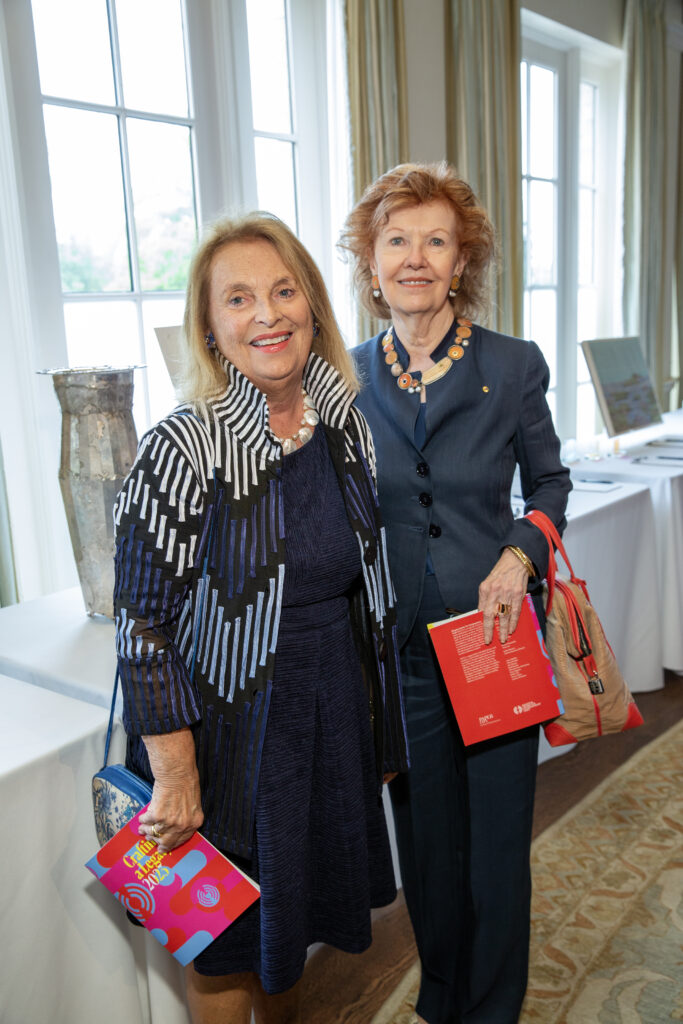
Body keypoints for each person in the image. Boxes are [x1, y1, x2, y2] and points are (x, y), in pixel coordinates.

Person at [113, 212, 409, 1024]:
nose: (267, 314)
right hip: (228, 734)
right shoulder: (185, 445)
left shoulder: (345, 424)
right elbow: (141, 624)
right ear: (209, 328)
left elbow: (364, 585)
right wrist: (176, 774)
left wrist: (375, 728)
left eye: (284, 291)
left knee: (295, 930)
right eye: (238, 299)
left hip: (327, 713)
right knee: (225, 942)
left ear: (314, 306)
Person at [339, 162, 571, 1024]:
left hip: (493, 634)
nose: (414, 258)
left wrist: (518, 555)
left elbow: (550, 483)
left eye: (435, 240)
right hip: (397, 650)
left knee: (496, 845)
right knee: (427, 846)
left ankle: (493, 1007)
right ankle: (441, 1001)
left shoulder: (513, 366)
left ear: (459, 260)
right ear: (370, 263)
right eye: (395, 240)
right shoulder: (345, 376)